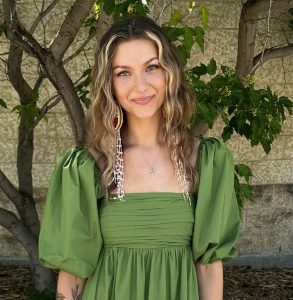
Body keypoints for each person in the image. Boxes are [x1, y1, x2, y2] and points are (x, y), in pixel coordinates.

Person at [39, 15, 240, 300]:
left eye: (151, 67)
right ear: (109, 84)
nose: (141, 85)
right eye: (123, 72)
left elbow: (208, 268)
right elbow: (73, 273)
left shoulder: (203, 160)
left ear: (170, 72)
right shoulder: (89, 167)